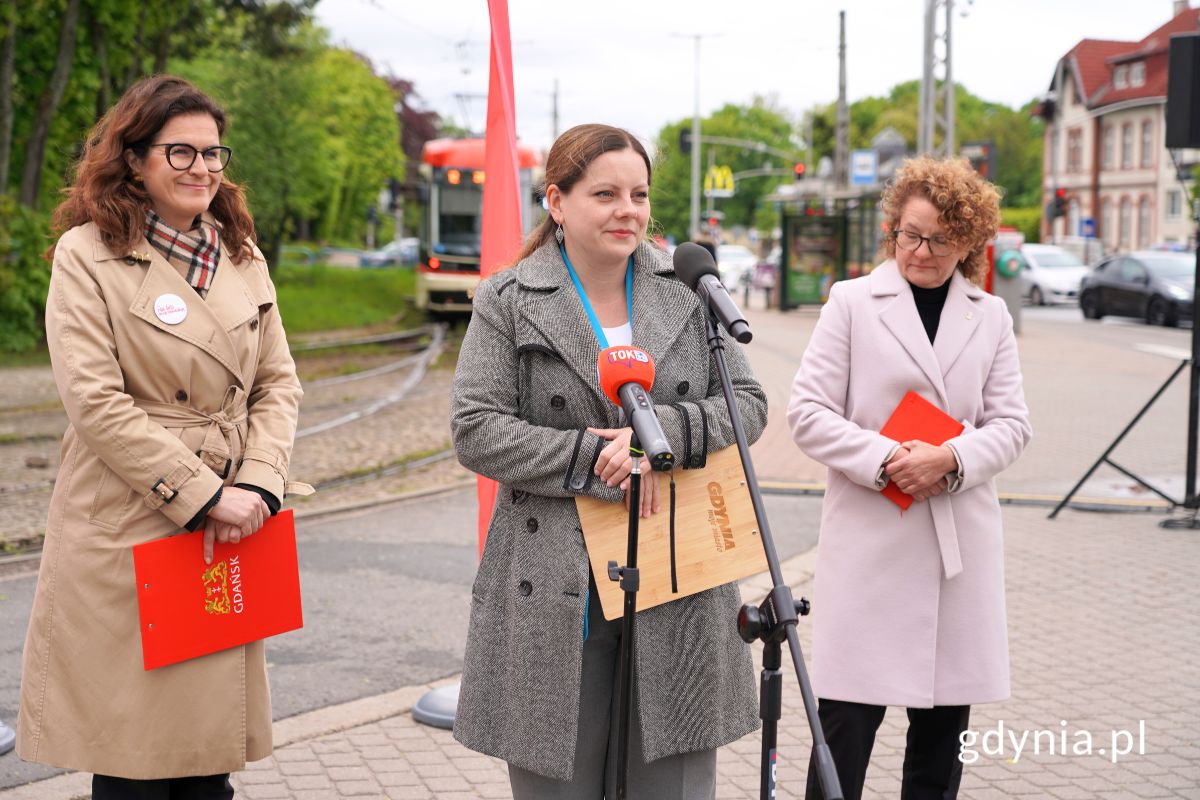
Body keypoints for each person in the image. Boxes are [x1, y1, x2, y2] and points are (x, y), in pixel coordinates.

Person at [451, 123, 768, 799]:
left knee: (673, 784)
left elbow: (748, 401)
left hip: (677, 576)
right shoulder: (506, 300)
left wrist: (667, 436)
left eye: (640, 193)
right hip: (554, 583)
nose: (629, 209)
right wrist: (594, 456)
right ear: (557, 202)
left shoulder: (688, 289)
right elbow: (476, 429)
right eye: (606, 194)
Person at [17, 75, 305, 799]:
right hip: (131, 520)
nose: (203, 169)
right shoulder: (88, 255)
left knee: (206, 765)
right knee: (134, 759)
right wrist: (205, 494)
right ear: (136, 158)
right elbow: (95, 401)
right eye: (181, 153)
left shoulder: (241, 254)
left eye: (213, 153)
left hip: (233, 520)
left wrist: (259, 483)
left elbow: (279, 385)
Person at [787, 156, 1031, 800]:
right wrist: (890, 458)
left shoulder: (991, 316)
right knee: (843, 735)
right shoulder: (851, 302)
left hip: (959, 552)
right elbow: (806, 415)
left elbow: (1012, 425)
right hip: (872, 541)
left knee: (940, 749)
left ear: (969, 244)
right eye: (909, 234)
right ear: (892, 227)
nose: (920, 251)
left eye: (940, 240)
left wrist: (950, 460)